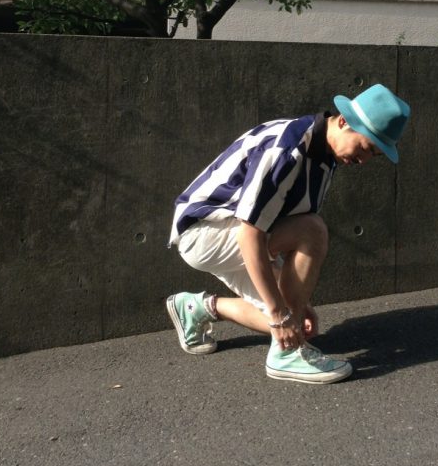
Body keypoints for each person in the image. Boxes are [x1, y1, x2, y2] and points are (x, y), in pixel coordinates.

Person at [167, 83, 411, 384]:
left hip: (236, 233)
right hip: (203, 232)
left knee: (293, 324)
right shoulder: (289, 149)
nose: (363, 160)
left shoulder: (326, 155)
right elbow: (249, 234)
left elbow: (276, 225)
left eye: (373, 155)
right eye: (365, 147)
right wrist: (280, 313)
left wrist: (293, 307)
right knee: (312, 232)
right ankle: (285, 355)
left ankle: (196, 308)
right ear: (343, 121)